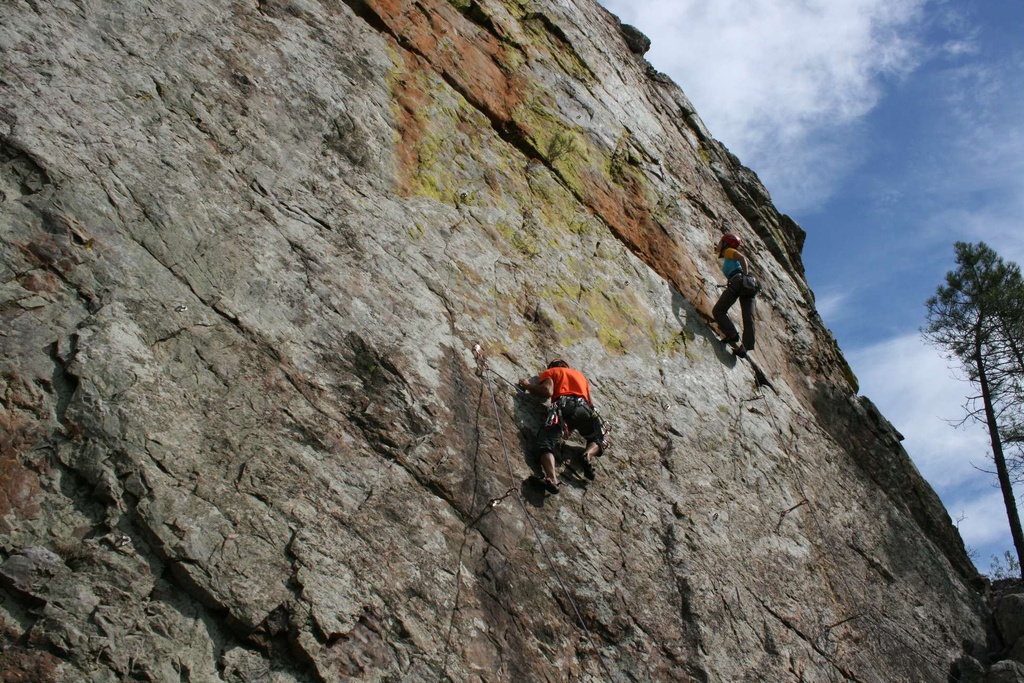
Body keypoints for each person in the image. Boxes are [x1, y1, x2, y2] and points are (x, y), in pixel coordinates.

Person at [518, 359, 608, 494]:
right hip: (585, 409)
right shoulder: (580, 376)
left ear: (552, 366)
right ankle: (587, 455)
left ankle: (552, 479)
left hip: (565, 407)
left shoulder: (551, 372)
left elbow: (547, 391)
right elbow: (590, 402)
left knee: (545, 442)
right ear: (567, 366)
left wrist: (528, 385)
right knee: (598, 438)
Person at [712, 232, 758, 358]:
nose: (718, 244)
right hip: (749, 286)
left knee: (718, 310)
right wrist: (745, 277)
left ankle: (732, 334)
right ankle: (744, 348)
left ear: (726, 243)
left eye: (721, 242)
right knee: (749, 319)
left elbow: (742, 258)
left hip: (739, 281)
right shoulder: (728, 258)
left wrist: (744, 275)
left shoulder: (728, 251)